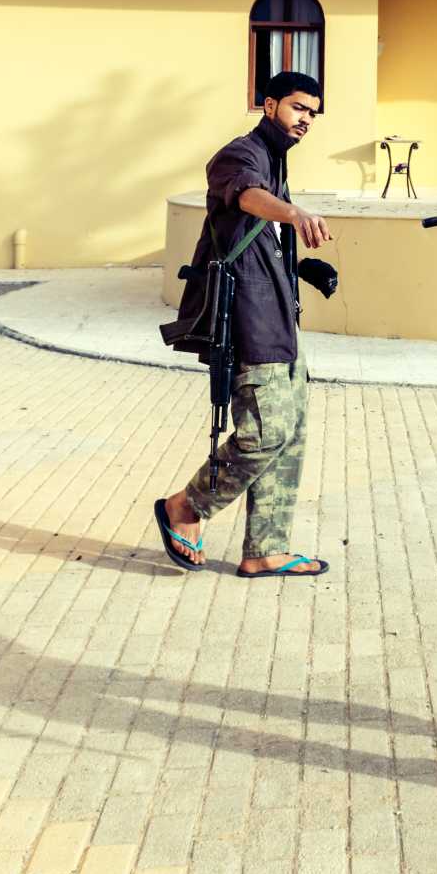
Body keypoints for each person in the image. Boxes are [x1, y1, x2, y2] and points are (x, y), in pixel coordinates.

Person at [155, 71, 332, 578]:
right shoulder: (241, 154)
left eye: (313, 112)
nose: (305, 119)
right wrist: (294, 213)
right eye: (298, 107)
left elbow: (254, 240)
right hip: (250, 325)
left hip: (280, 323)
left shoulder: (276, 161)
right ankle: (185, 507)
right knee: (263, 434)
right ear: (269, 105)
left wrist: (300, 267)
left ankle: (265, 549)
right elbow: (245, 194)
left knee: (290, 433)